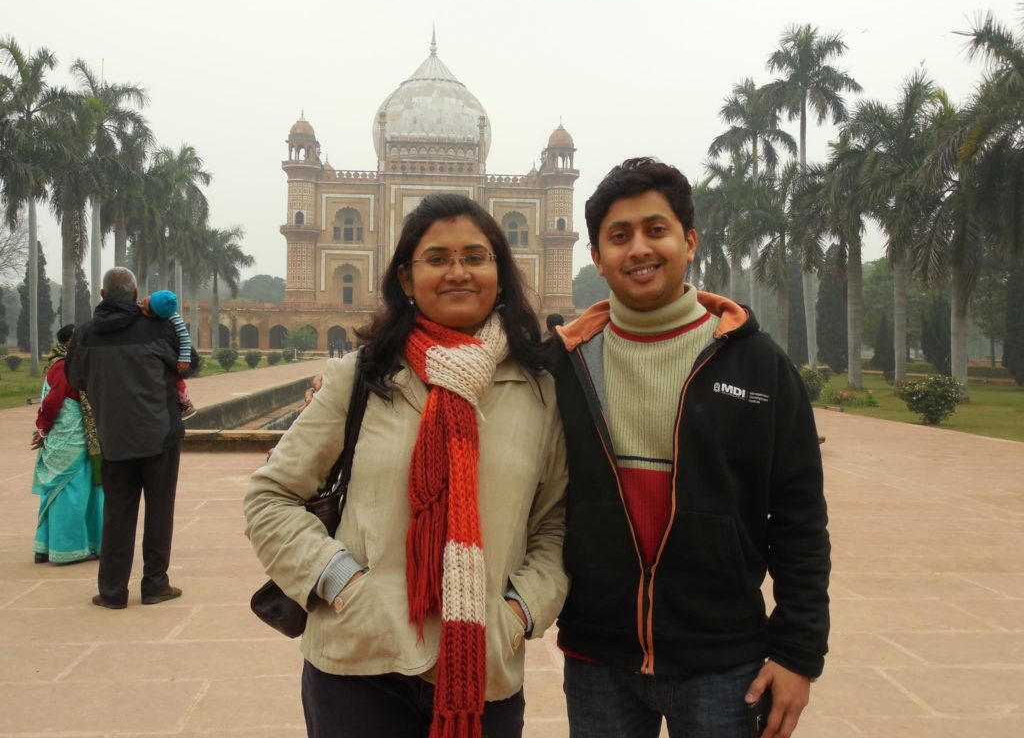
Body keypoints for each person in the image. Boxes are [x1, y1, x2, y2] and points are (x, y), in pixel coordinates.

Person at [245, 193, 568, 738]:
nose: (457, 272)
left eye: (475, 256)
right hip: (360, 658)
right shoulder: (362, 375)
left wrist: (520, 612)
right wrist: (341, 583)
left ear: (500, 272)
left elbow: (554, 523)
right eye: (437, 258)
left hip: (483, 666)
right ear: (405, 277)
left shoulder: (538, 391)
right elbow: (270, 495)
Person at [546, 158, 830, 738]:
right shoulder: (564, 364)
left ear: (689, 241)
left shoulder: (756, 363)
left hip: (724, 659)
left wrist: (799, 653)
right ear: (596, 257)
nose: (639, 249)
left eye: (656, 230)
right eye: (619, 236)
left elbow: (799, 517)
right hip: (598, 654)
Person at [66, 267, 198, 610]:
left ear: (102, 295)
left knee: (117, 512)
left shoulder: (84, 335)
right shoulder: (158, 328)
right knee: (159, 510)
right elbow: (191, 364)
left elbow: (75, 380)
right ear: (137, 292)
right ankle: (155, 585)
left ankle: (112, 591)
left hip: (114, 436)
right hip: (160, 435)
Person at [30, 324, 104, 564]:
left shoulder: (73, 362)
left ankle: (46, 546)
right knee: (71, 491)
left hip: (77, 436)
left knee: (78, 489)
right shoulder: (65, 366)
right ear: (70, 343)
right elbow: (53, 402)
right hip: (70, 436)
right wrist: (43, 428)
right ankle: (66, 549)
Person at [139, 289, 196, 418]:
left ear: (153, 314)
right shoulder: (143, 308)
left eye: (147, 302)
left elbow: (185, 338)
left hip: (173, 361)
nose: (144, 300)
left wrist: (184, 358)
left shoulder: (174, 319)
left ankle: (185, 404)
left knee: (177, 380)